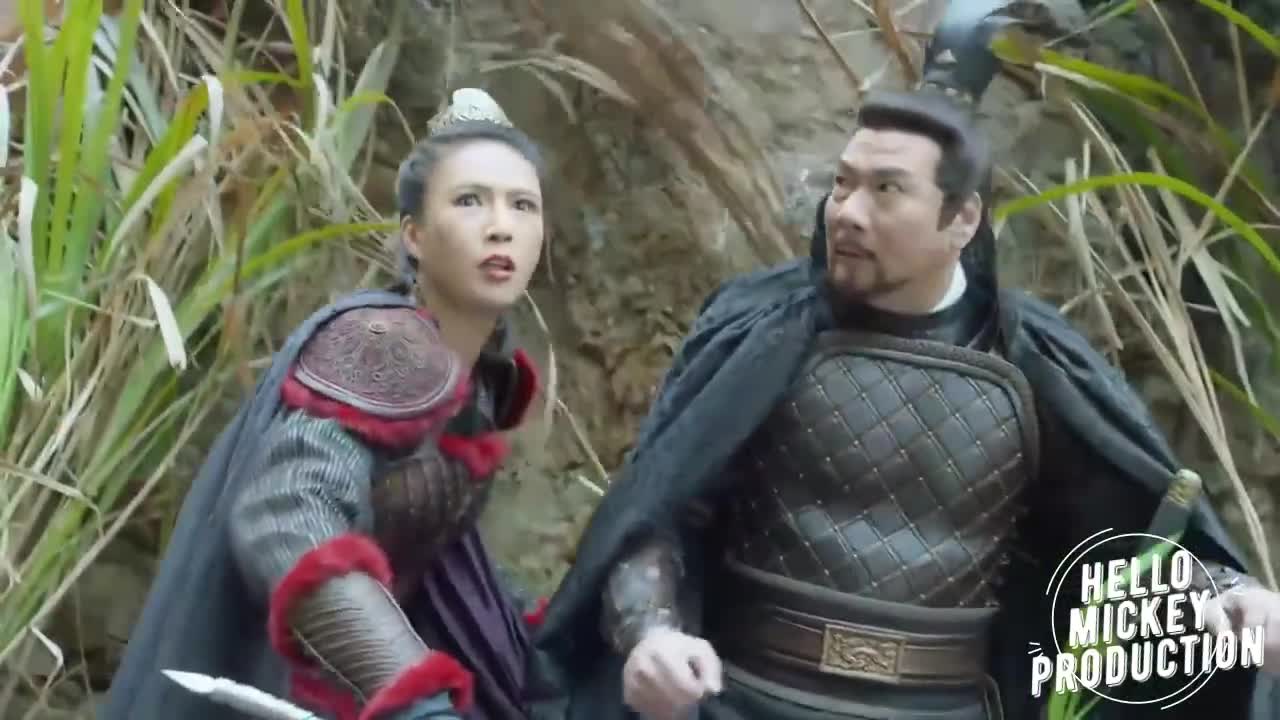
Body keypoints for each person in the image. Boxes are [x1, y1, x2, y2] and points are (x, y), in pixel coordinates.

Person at [526, 3, 1280, 719]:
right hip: (747, 699)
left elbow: (1119, 546)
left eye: (886, 190)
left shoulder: (1031, 361)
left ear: (962, 219)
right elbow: (656, 514)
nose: (848, 212)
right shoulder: (760, 332)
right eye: (843, 184)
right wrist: (651, 632)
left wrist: (1226, 592)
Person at [103, 88, 552, 720]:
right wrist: (410, 692)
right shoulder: (384, 342)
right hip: (306, 689)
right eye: (469, 200)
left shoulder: (476, 374)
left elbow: (439, 558)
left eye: (522, 205)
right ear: (415, 236)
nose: (501, 225)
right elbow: (290, 510)